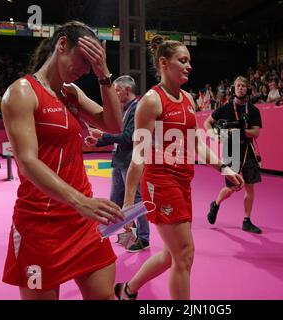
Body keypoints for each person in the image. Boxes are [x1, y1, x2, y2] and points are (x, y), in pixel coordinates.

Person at [1, 21, 125, 300]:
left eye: (91, 64)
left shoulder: (72, 93)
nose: (85, 70)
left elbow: (114, 125)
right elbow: (28, 162)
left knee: (105, 296)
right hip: (40, 225)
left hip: (82, 221)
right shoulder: (22, 92)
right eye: (84, 60)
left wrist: (103, 74)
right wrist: (81, 202)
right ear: (61, 46)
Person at [114, 35, 244, 300]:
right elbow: (138, 156)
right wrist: (128, 205)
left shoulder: (188, 99)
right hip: (161, 182)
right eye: (182, 61)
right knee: (184, 255)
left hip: (184, 181)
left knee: (170, 255)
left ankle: (127, 290)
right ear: (164, 63)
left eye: (189, 61)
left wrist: (223, 167)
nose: (189, 66)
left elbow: (196, 143)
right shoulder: (151, 102)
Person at [85, 75, 150, 253]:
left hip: (131, 163)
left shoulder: (137, 109)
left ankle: (144, 239)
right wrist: (97, 142)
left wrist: (102, 136)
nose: (114, 95)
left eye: (117, 91)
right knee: (115, 201)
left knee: (136, 201)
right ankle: (124, 233)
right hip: (120, 161)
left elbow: (128, 137)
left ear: (127, 90)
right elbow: (119, 136)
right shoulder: (125, 109)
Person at [204, 76, 263, 234]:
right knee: (233, 187)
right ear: (233, 89)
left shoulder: (253, 110)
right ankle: (215, 204)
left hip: (248, 151)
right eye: (238, 85)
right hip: (231, 151)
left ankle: (246, 220)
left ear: (248, 89)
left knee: (250, 188)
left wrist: (240, 131)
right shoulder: (225, 108)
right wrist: (213, 135)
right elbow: (207, 122)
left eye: (244, 86)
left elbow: (256, 133)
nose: (241, 88)